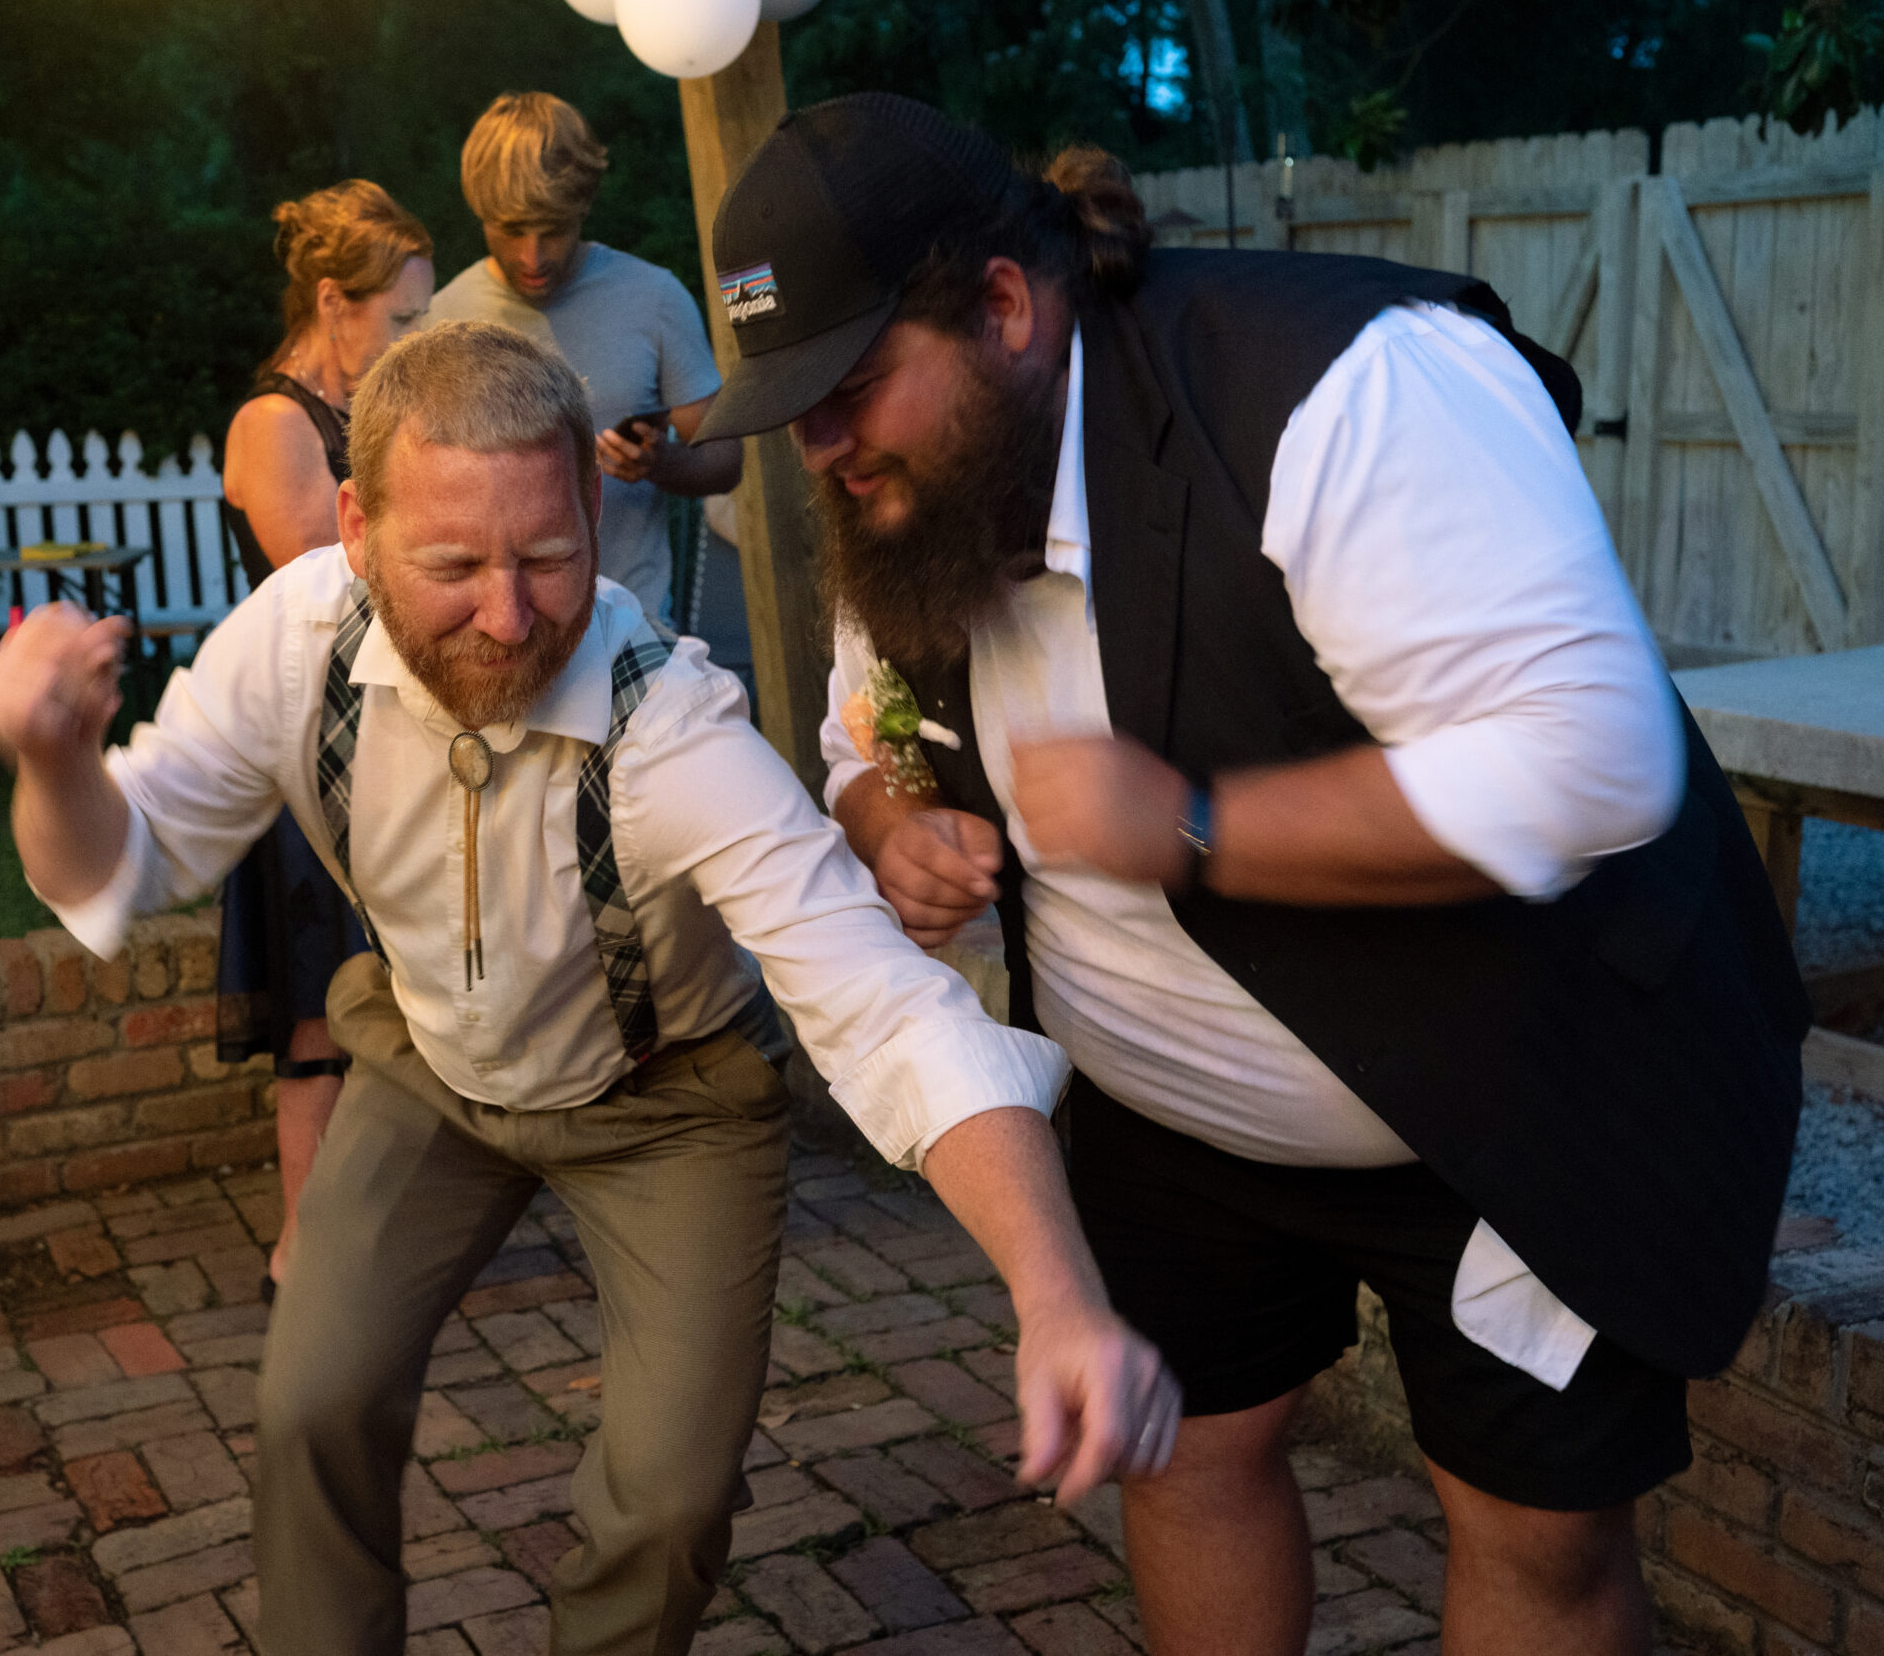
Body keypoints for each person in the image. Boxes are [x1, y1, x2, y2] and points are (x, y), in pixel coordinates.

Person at [687, 93, 1808, 1656]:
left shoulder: (1349, 395)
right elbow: (858, 727)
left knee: (1531, 1535)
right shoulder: (909, 495)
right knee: (1190, 1451)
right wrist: (887, 821)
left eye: (852, 386)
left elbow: (1594, 762)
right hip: (1169, 1125)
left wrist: (1200, 823)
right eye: (789, 403)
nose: (821, 445)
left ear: (1007, 307)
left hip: (1501, 1095)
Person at [0, 320, 1180, 1656]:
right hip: (428, 1066)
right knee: (313, 1401)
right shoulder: (295, 645)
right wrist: (51, 764)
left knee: (669, 1502)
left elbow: (888, 1006)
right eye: (455, 564)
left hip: (668, 1097)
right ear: (357, 525)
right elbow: (125, 859)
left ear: (591, 521)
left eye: (549, 556)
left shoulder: (672, 728)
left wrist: (1056, 1292)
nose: (508, 615)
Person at [217, 178, 434, 1292]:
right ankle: (299, 1255)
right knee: (316, 1010)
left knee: (384, 1002)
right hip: (303, 753)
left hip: (374, 743)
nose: (415, 336)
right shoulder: (273, 423)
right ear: (331, 300)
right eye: (401, 318)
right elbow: (327, 578)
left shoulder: (358, 413)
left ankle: (379, 1236)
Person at [426, 91, 741, 619]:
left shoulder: (654, 298)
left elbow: (725, 463)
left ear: (585, 206)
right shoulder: (439, 321)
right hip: (492, 632)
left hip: (631, 632)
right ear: (478, 213)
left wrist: (660, 462)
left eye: (553, 230)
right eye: (511, 230)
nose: (534, 256)